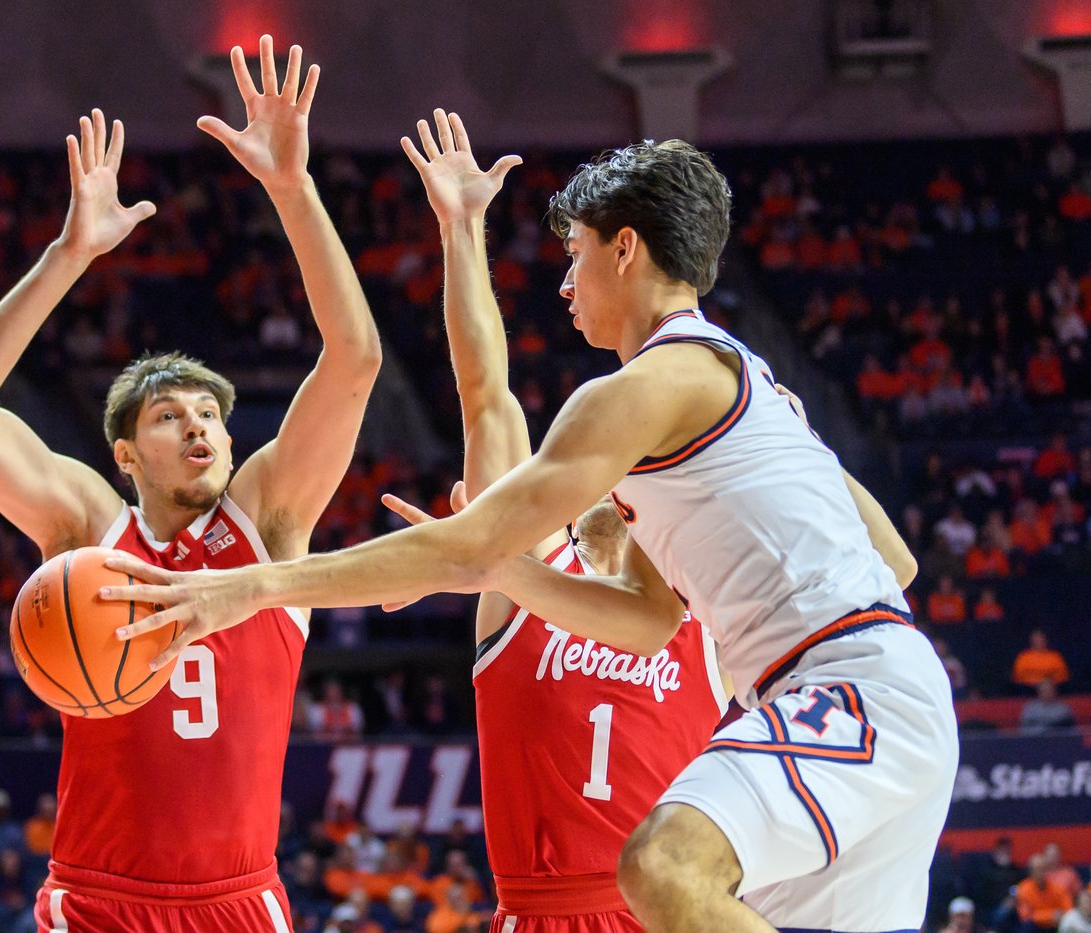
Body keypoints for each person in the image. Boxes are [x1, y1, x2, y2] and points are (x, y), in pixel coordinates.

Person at [110, 118, 953, 932]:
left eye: (575, 254)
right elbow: (875, 567)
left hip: (840, 685)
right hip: (855, 692)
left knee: (663, 866)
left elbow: (470, 535)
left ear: (625, 248)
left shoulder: (655, 384)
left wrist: (253, 584)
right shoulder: (740, 396)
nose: (563, 282)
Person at [384, 112, 918, 933]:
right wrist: (462, 227)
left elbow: (897, 564)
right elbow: (484, 389)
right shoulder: (521, 570)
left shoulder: (709, 596)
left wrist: (783, 432)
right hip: (543, 912)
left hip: (671, 906)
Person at [0, 35, 380, 932]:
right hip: (97, 896)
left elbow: (355, 358)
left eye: (208, 413)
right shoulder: (84, 529)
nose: (199, 426)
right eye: (170, 417)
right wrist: (67, 255)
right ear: (126, 453)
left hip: (238, 899)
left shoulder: (269, 520)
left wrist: (294, 189)